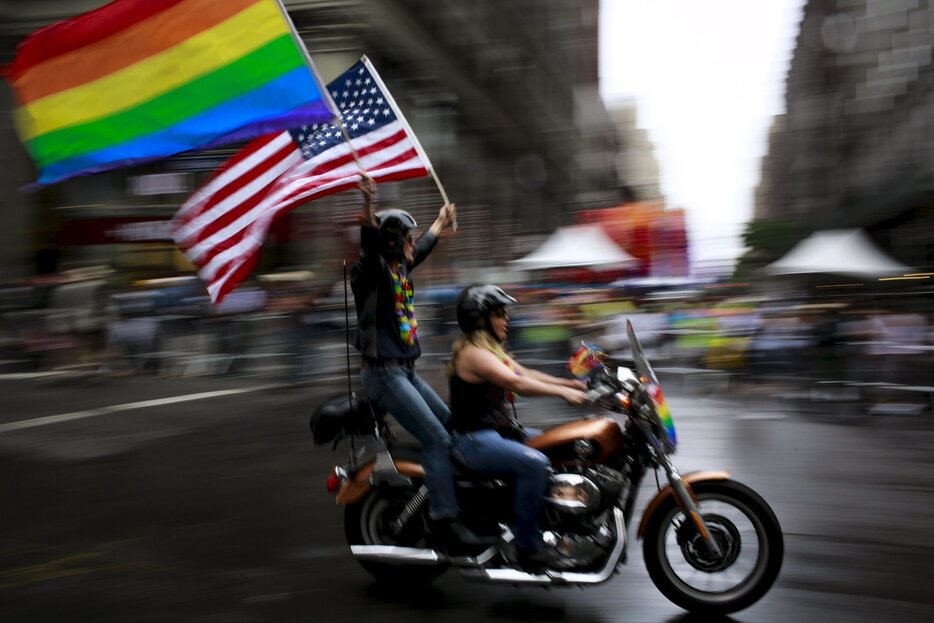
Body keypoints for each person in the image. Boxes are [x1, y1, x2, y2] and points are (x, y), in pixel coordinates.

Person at [350, 175, 490, 548]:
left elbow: (424, 248)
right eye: (407, 238)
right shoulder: (372, 274)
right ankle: (446, 520)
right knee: (438, 440)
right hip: (384, 375)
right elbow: (368, 245)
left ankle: (467, 500)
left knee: (454, 427)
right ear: (393, 242)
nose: (414, 243)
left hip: (405, 372)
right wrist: (367, 204)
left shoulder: (398, 272)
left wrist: (441, 221)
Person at [446, 284, 589, 566]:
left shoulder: (492, 351)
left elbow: (525, 372)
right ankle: (528, 545)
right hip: (474, 440)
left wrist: (568, 382)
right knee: (534, 463)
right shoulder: (474, 353)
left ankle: (557, 521)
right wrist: (563, 393)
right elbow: (516, 383)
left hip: (498, 433)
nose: (507, 318)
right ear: (480, 319)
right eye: (500, 313)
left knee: (559, 445)